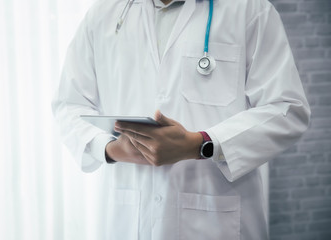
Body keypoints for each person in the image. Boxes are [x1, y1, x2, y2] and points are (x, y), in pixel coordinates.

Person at [52, 0, 310, 239]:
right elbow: (69, 104)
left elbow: (287, 109)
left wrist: (201, 144)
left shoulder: (249, 9)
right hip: (129, 218)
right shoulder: (104, 14)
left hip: (216, 219)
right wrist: (110, 148)